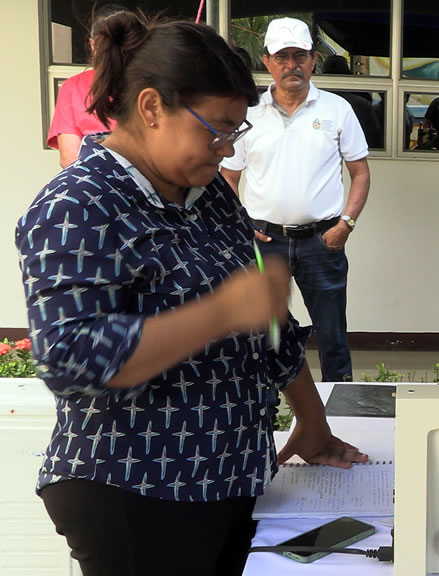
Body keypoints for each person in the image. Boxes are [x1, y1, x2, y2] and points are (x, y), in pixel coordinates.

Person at [16, 13, 367, 576]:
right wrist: (219, 313)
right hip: (135, 489)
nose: (228, 149)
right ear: (152, 107)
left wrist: (313, 424)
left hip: (229, 477)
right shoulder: (78, 205)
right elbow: (71, 358)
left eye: (237, 132)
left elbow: (268, 325)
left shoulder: (206, 195)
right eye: (218, 128)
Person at [221, 17, 372, 383]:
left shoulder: (337, 110)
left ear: (314, 59)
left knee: (332, 334)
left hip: (323, 242)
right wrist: (241, 226)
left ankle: (340, 413)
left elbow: (360, 173)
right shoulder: (250, 111)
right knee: (263, 332)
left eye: (300, 56)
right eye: (283, 56)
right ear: (268, 61)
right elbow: (228, 177)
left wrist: (346, 224)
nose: (292, 65)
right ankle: (266, 406)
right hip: (264, 243)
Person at [47, 3, 127, 168]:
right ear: (92, 45)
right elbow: (69, 159)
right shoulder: (72, 88)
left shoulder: (148, 83)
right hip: (97, 184)